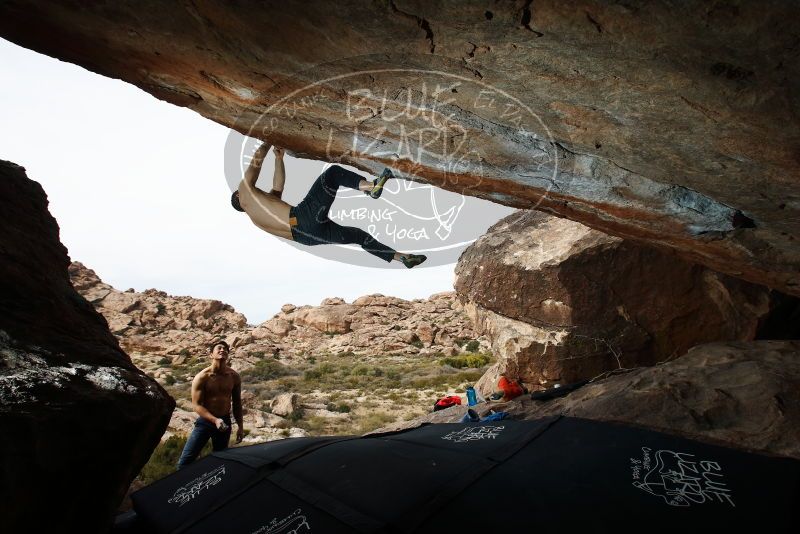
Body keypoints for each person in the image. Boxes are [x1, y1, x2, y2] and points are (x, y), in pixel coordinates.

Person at [231, 142, 427, 268]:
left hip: (307, 237)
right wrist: (266, 139)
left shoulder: (258, 217)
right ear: (239, 197)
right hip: (301, 219)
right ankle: (371, 186)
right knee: (331, 175)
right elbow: (255, 162)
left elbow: (277, 186)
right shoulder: (245, 193)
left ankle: (401, 258)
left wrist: (279, 158)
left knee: (359, 236)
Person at [176, 340, 244, 469]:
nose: (222, 350)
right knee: (185, 462)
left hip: (225, 422)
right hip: (206, 421)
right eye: (219, 348)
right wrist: (214, 420)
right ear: (211, 355)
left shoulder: (234, 376)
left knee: (220, 461)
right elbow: (196, 405)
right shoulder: (202, 377)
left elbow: (237, 403)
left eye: (225, 349)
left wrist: (240, 426)